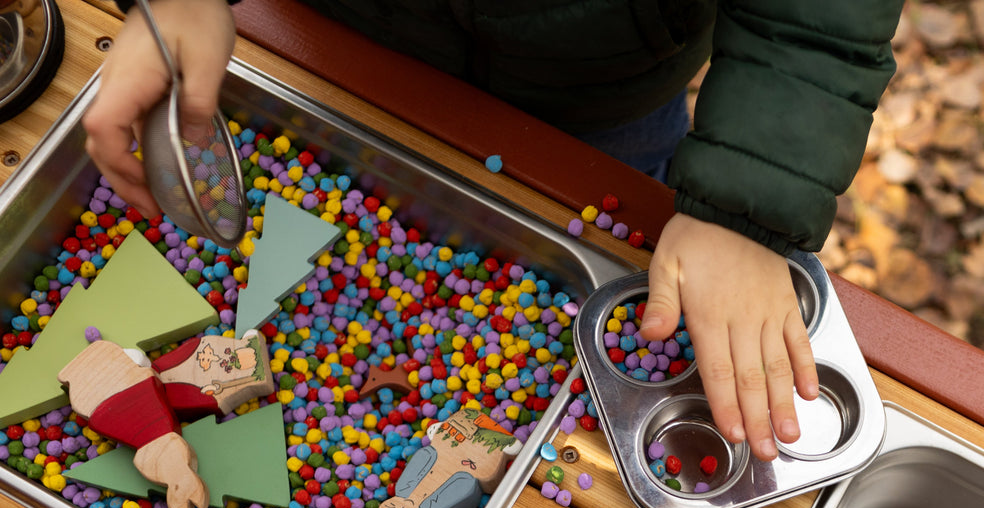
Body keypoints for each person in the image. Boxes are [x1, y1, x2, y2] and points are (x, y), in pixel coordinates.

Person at [84, 0, 905, 462]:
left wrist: (744, 206)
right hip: (337, 37)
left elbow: (817, 20)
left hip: (597, 95)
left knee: (637, 247)